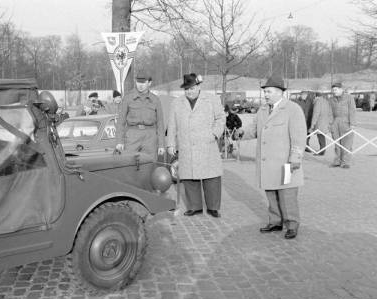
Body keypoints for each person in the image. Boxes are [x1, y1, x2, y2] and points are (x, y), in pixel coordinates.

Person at [237, 76, 307, 239]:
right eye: (265, 92)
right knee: (271, 193)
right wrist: (241, 133)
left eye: (268, 92)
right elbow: (254, 130)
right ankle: (275, 222)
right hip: (267, 163)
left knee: (287, 194)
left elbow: (299, 136)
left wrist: (296, 157)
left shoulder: (293, 109)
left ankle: (292, 224)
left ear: (279, 92)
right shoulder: (262, 110)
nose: (266, 95)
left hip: (286, 163)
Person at [167, 73, 225, 218]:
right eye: (186, 89)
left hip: (207, 144)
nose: (189, 91)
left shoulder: (212, 99)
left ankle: (213, 207)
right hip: (186, 145)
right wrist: (170, 144)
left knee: (211, 178)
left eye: (191, 88)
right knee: (189, 178)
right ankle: (195, 206)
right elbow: (172, 125)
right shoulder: (176, 103)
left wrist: (214, 134)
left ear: (199, 86)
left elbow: (220, 118)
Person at [115, 73, 165, 160]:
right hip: (132, 135)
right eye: (138, 82)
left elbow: (160, 123)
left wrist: (161, 144)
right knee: (129, 164)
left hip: (150, 137)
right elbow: (121, 121)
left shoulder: (155, 100)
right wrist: (120, 141)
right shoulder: (128, 98)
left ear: (149, 83)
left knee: (150, 164)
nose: (140, 85)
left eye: (143, 82)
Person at [329, 82, 356, 169]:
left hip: (346, 122)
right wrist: (330, 124)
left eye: (336, 90)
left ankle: (345, 162)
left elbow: (352, 111)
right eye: (333, 90)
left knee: (347, 143)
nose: (334, 91)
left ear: (341, 89)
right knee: (337, 143)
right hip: (335, 122)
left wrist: (352, 124)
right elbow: (330, 113)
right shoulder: (331, 99)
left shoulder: (349, 98)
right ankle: (337, 161)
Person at [309, 91, 332, 155]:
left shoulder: (318, 102)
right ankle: (322, 150)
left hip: (319, 122)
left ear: (316, 96)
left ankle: (322, 151)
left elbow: (316, 114)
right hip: (325, 122)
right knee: (322, 136)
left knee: (320, 136)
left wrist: (312, 124)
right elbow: (330, 112)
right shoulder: (326, 101)